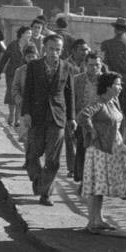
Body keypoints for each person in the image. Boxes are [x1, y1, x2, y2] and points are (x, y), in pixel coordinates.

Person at [21, 33, 76, 206]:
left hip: (57, 117)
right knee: (32, 155)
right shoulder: (34, 66)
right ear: (44, 48)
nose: (54, 53)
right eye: (51, 49)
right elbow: (28, 91)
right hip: (37, 116)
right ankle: (38, 179)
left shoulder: (67, 67)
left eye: (58, 50)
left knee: (53, 160)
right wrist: (26, 113)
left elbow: (70, 94)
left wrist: (71, 118)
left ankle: (45, 193)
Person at [76, 72, 126, 230]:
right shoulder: (99, 102)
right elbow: (83, 116)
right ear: (108, 87)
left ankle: (99, 219)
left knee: (102, 186)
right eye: (117, 85)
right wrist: (92, 131)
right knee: (95, 186)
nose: (120, 88)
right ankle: (91, 222)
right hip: (99, 149)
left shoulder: (113, 102)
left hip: (111, 148)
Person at [66, 39, 103, 182]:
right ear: (85, 65)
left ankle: (91, 179)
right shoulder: (77, 80)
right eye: (91, 65)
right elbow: (71, 100)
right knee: (82, 149)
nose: (94, 68)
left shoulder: (105, 82)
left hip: (99, 121)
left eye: (97, 65)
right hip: (81, 120)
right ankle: (83, 179)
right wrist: (72, 118)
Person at [99, 17, 126, 121]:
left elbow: (102, 64)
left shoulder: (106, 44)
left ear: (114, 29)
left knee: (109, 109)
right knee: (124, 111)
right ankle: (122, 134)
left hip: (111, 81)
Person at [0, 28, 33, 126]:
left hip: (25, 73)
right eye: (28, 33)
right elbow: (5, 58)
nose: (29, 35)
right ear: (21, 34)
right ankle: (11, 115)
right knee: (11, 92)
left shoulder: (31, 46)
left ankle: (17, 118)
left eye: (30, 33)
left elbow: (36, 59)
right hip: (11, 73)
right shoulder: (13, 45)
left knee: (21, 94)